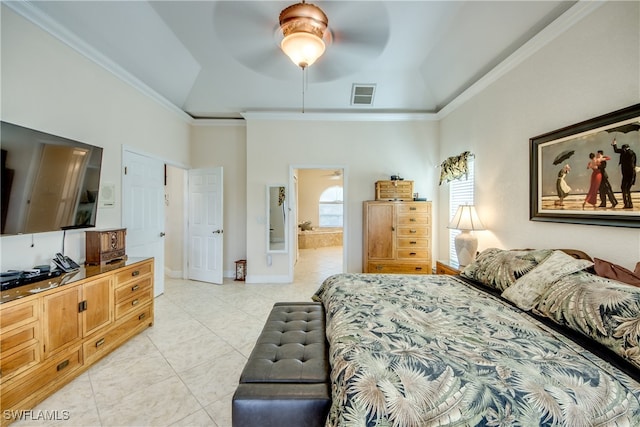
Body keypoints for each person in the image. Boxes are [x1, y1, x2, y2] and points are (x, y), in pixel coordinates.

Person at [612, 138, 637, 209]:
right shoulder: (632, 153)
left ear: (625, 149)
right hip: (631, 174)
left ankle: (627, 204)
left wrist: (614, 144)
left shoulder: (626, 152)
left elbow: (616, 150)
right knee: (627, 189)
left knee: (624, 188)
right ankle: (629, 204)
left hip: (627, 174)